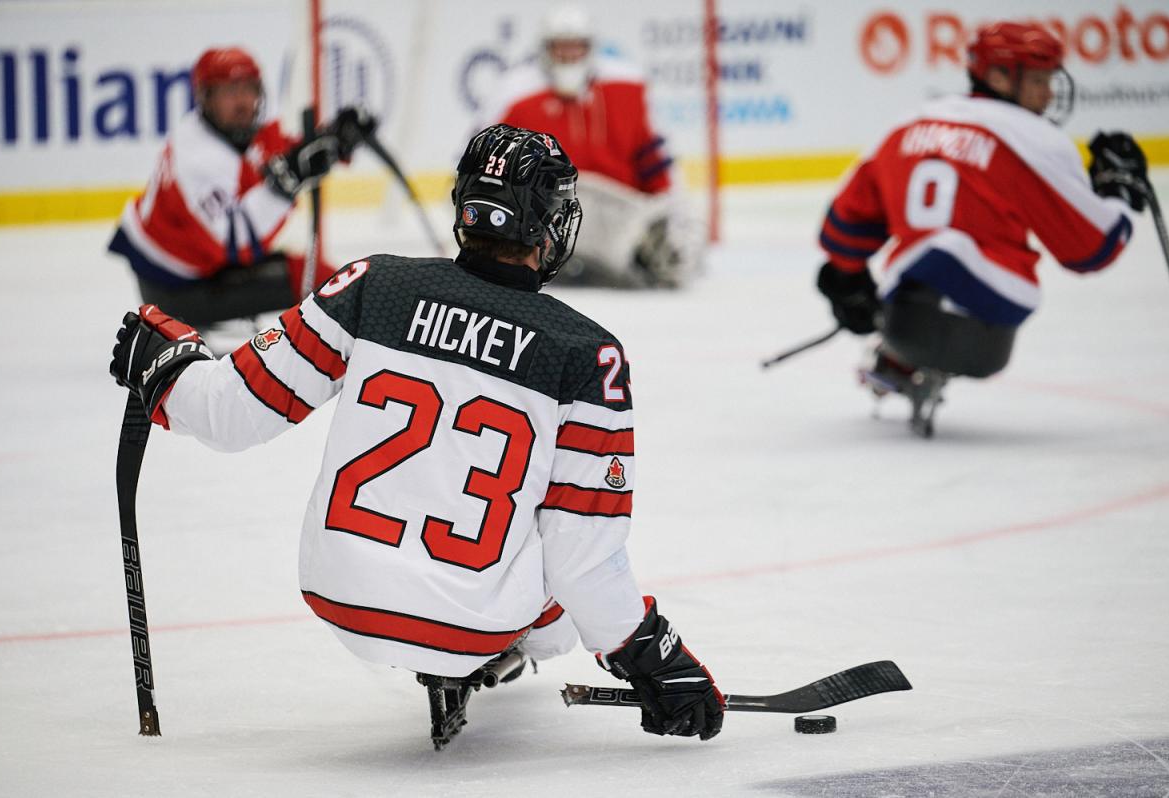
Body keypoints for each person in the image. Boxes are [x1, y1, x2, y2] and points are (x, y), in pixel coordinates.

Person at [108, 123, 724, 748]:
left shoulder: (372, 284)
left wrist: (171, 366)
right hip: (475, 624)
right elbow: (583, 561)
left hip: (339, 591)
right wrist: (656, 657)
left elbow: (229, 412)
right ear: (545, 225)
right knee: (560, 554)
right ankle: (484, 651)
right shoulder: (587, 355)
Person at [814, 21, 1148, 435]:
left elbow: (844, 227)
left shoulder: (907, 124)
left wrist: (846, 282)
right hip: (992, 323)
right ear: (997, 76)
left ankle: (898, 350)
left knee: (928, 254)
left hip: (906, 311)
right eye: (1039, 80)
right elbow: (1091, 250)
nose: (1048, 93)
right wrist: (1121, 194)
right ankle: (918, 322)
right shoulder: (1033, 139)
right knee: (957, 251)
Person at [107, 46, 375, 333]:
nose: (244, 101)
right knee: (316, 279)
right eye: (230, 92)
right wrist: (290, 180)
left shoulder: (225, 127)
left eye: (249, 89)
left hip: (189, 266)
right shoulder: (198, 158)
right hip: (176, 290)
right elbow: (236, 244)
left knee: (320, 276)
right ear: (206, 98)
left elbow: (281, 151)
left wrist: (334, 140)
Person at [481, 3, 700, 288]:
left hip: (620, 219)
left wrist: (668, 211)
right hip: (545, 218)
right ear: (546, 49)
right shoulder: (515, 95)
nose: (568, 55)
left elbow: (655, 160)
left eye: (576, 47)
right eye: (561, 46)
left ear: (590, 48)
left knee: (672, 248)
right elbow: (487, 163)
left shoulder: (627, 89)